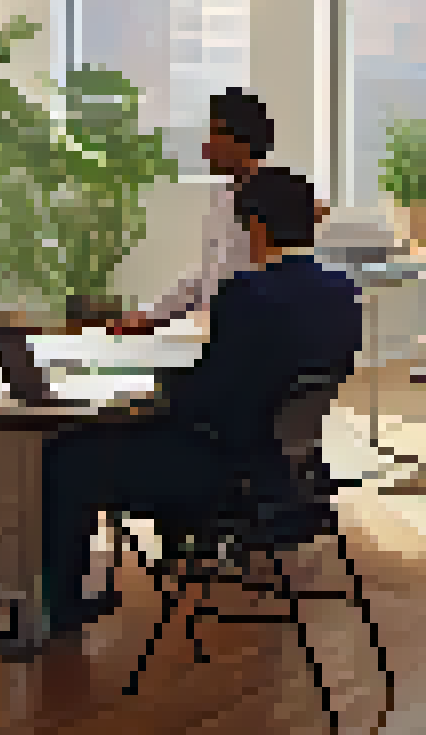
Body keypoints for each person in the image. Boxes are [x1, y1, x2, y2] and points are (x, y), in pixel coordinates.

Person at [34, 168, 363, 644]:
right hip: (292, 474)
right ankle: (160, 562)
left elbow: (208, 400)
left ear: (256, 227)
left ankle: (62, 613)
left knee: (68, 456)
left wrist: (144, 393)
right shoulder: (341, 290)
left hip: (229, 472)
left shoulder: (248, 294)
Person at [107, 88, 277, 339]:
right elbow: (208, 276)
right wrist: (150, 316)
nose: (206, 145)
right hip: (215, 330)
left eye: (215, 133)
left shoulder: (274, 200)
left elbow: (261, 285)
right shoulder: (224, 194)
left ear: (240, 139)